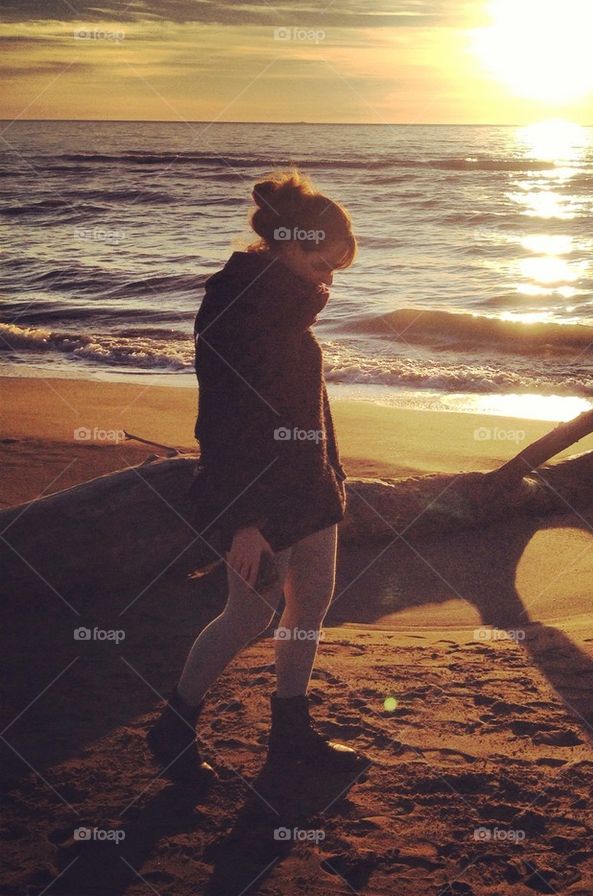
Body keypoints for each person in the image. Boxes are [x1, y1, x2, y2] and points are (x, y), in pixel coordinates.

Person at [146, 170, 369, 785]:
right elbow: (222, 418)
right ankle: (174, 726)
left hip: (310, 486)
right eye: (324, 264)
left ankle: (290, 735)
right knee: (248, 616)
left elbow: (305, 409)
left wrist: (332, 478)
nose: (329, 279)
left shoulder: (288, 303)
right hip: (261, 497)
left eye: (337, 269)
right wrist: (243, 522)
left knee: (311, 604)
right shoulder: (239, 307)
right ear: (291, 246)